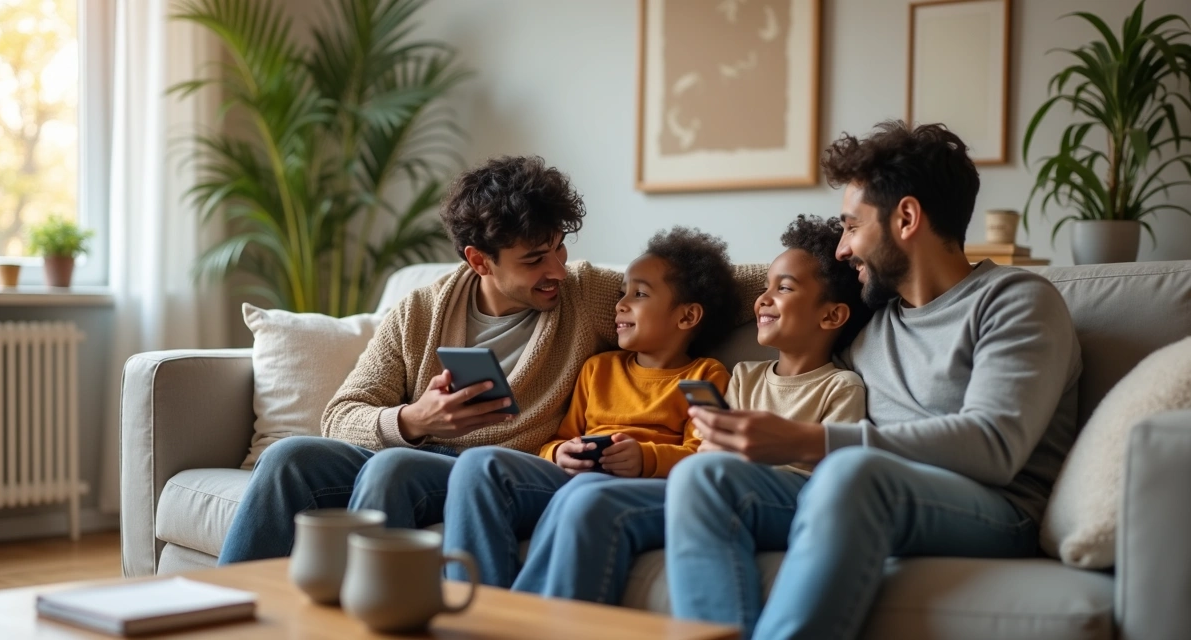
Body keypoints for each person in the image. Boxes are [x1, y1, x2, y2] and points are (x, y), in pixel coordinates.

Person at [218, 157, 765, 564]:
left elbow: (717, 284)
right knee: (291, 458)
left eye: (558, 247)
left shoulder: (587, 294)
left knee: (393, 467)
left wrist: (829, 268)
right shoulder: (420, 311)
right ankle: (220, 613)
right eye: (534, 259)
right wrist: (413, 420)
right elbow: (341, 415)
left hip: (501, 471)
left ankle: (369, 612)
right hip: (418, 451)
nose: (556, 267)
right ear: (480, 260)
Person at [666, 121, 1082, 640]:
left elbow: (995, 445)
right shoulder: (872, 321)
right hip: (860, 496)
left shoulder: (1015, 300)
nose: (841, 249)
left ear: (906, 217)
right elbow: (792, 300)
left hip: (994, 507)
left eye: (851, 227)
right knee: (703, 478)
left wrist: (808, 440)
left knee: (852, 473)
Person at [506, 214, 873, 604]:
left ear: (832, 315)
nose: (762, 299)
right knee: (577, 492)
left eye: (782, 288)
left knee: (591, 498)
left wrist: (655, 458)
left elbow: (836, 477)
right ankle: (517, 618)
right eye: (764, 287)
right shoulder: (745, 376)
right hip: (709, 486)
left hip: (767, 497)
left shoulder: (839, 386)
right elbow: (710, 448)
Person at [440, 227, 739, 588]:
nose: (620, 304)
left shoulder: (706, 375)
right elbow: (561, 438)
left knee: (585, 496)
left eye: (640, 294)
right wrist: (560, 453)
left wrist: (646, 458)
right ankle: (479, 607)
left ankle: (522, 613)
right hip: (577, 478)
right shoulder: (599, 368)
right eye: (621, 292)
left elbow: (705, 456)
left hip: (641, 486)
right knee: (478, 462)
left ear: (688, 317)